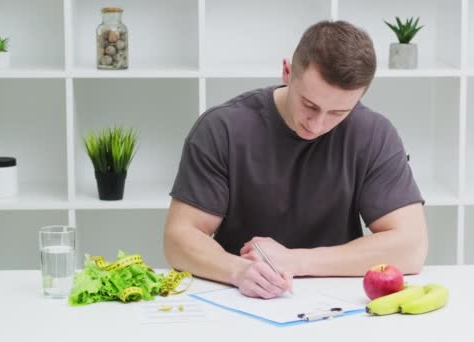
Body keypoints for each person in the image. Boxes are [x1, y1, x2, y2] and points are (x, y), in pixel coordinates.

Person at [164, 20, 428, 300]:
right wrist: (238, 271)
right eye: (309, 105)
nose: (317, 125)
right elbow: (178, 239)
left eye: (338, 112)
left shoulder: (374, 133)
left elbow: (411, 247)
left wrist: (295, 261)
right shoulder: (222, 128)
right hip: (241, 295)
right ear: (287, 72)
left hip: (337, 298)